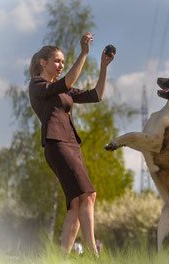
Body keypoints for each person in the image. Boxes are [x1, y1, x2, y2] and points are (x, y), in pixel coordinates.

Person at [28, 32, 114, 256]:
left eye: (63, 62)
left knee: (76, 204)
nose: (60, 65)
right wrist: (84, 53)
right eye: (57, 61)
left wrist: (103, 66)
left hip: (72, 145)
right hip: (57, 143)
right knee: (89, 195)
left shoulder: (62, 88)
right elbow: (68, 80)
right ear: (43, 62)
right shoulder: (37, 85)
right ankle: (94, 255)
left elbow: (96, 95)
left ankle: (61, 258)